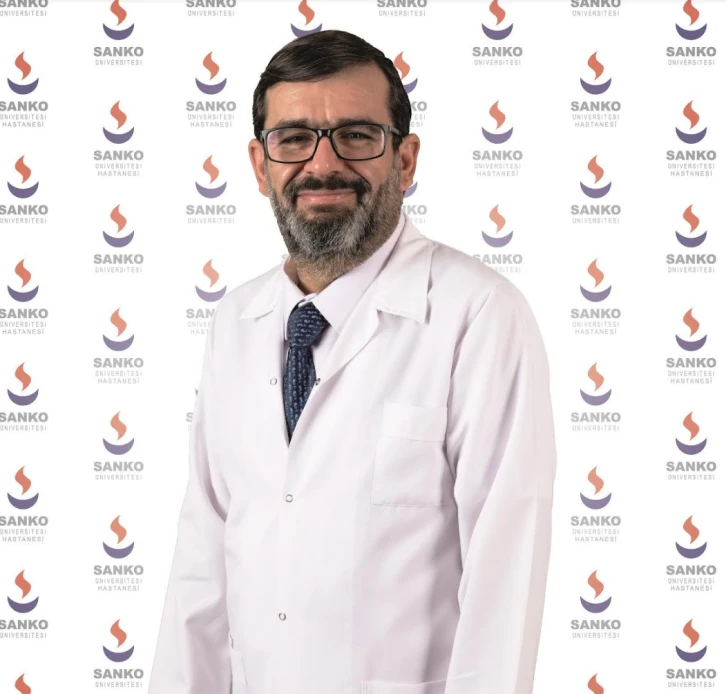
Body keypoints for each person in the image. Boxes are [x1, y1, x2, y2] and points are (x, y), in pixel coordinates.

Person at [148, 29, 557, 694]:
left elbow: (505, 576)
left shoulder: (477, 314)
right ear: (259, 164)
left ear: (405, 159)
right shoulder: (235, 322)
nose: (323, 163)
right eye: (293, 139)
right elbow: (201, 565)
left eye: (357, 136)